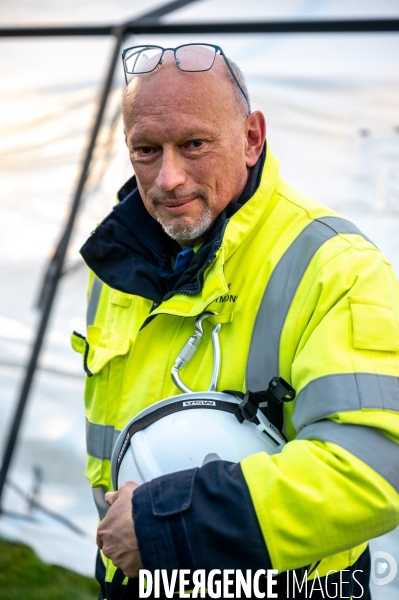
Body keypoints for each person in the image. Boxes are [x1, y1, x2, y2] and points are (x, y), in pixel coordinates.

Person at [72, 43, 399, 599]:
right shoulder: (114, 266)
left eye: (193, 144)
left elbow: (373, 472)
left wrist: (163, 524)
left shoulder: (337, 267)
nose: (168, 179)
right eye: (146, 150)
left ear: (252, 138)